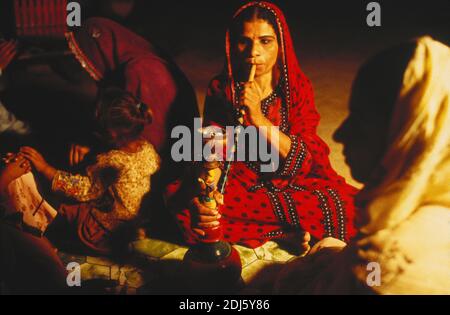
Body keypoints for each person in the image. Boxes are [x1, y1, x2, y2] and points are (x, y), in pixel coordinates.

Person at [166, 2, 358, 250]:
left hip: (291, 180)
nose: (253, 52)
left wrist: (258, 117)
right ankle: (282, 233)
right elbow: (211, 149)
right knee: (187, 208)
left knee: (342, 205)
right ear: (232, 45)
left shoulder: (296, 88)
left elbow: (308, 158)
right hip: (242, 179)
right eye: (244, 41)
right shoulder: (222, 88)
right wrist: (207, 193)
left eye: (265, 41)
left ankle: (274, 229)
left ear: (281, 45)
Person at [274, 36, 450, 294]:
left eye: (360, 120)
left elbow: (307, 157)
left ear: (407, 135)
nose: (338, 134)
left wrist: (260, 124)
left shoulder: (386, 264)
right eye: (243, 42)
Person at [18, 88, 160, 255]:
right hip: (134, 225)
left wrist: (45, 168)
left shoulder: (111, 162)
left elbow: (82, 189)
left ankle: (41, 241)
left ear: (112, 134)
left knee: (59, 204)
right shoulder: (147, 149)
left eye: (99, 129)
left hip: (106, 233)